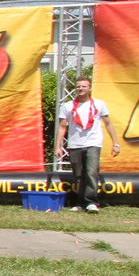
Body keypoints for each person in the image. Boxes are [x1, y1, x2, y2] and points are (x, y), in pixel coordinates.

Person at [54, 76, 121, 213]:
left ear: (89, 88)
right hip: (75, 144)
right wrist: (57, 146)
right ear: (75, 88)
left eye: (84, 86)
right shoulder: (68, 106)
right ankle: (80, 202)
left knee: (91, 172)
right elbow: (62, 126)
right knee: (78, 175)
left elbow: (108, 123)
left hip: (93, 142)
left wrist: (116, 143)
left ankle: (91, 202)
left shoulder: (99, 104)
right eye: (78, 86)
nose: (81, 88)